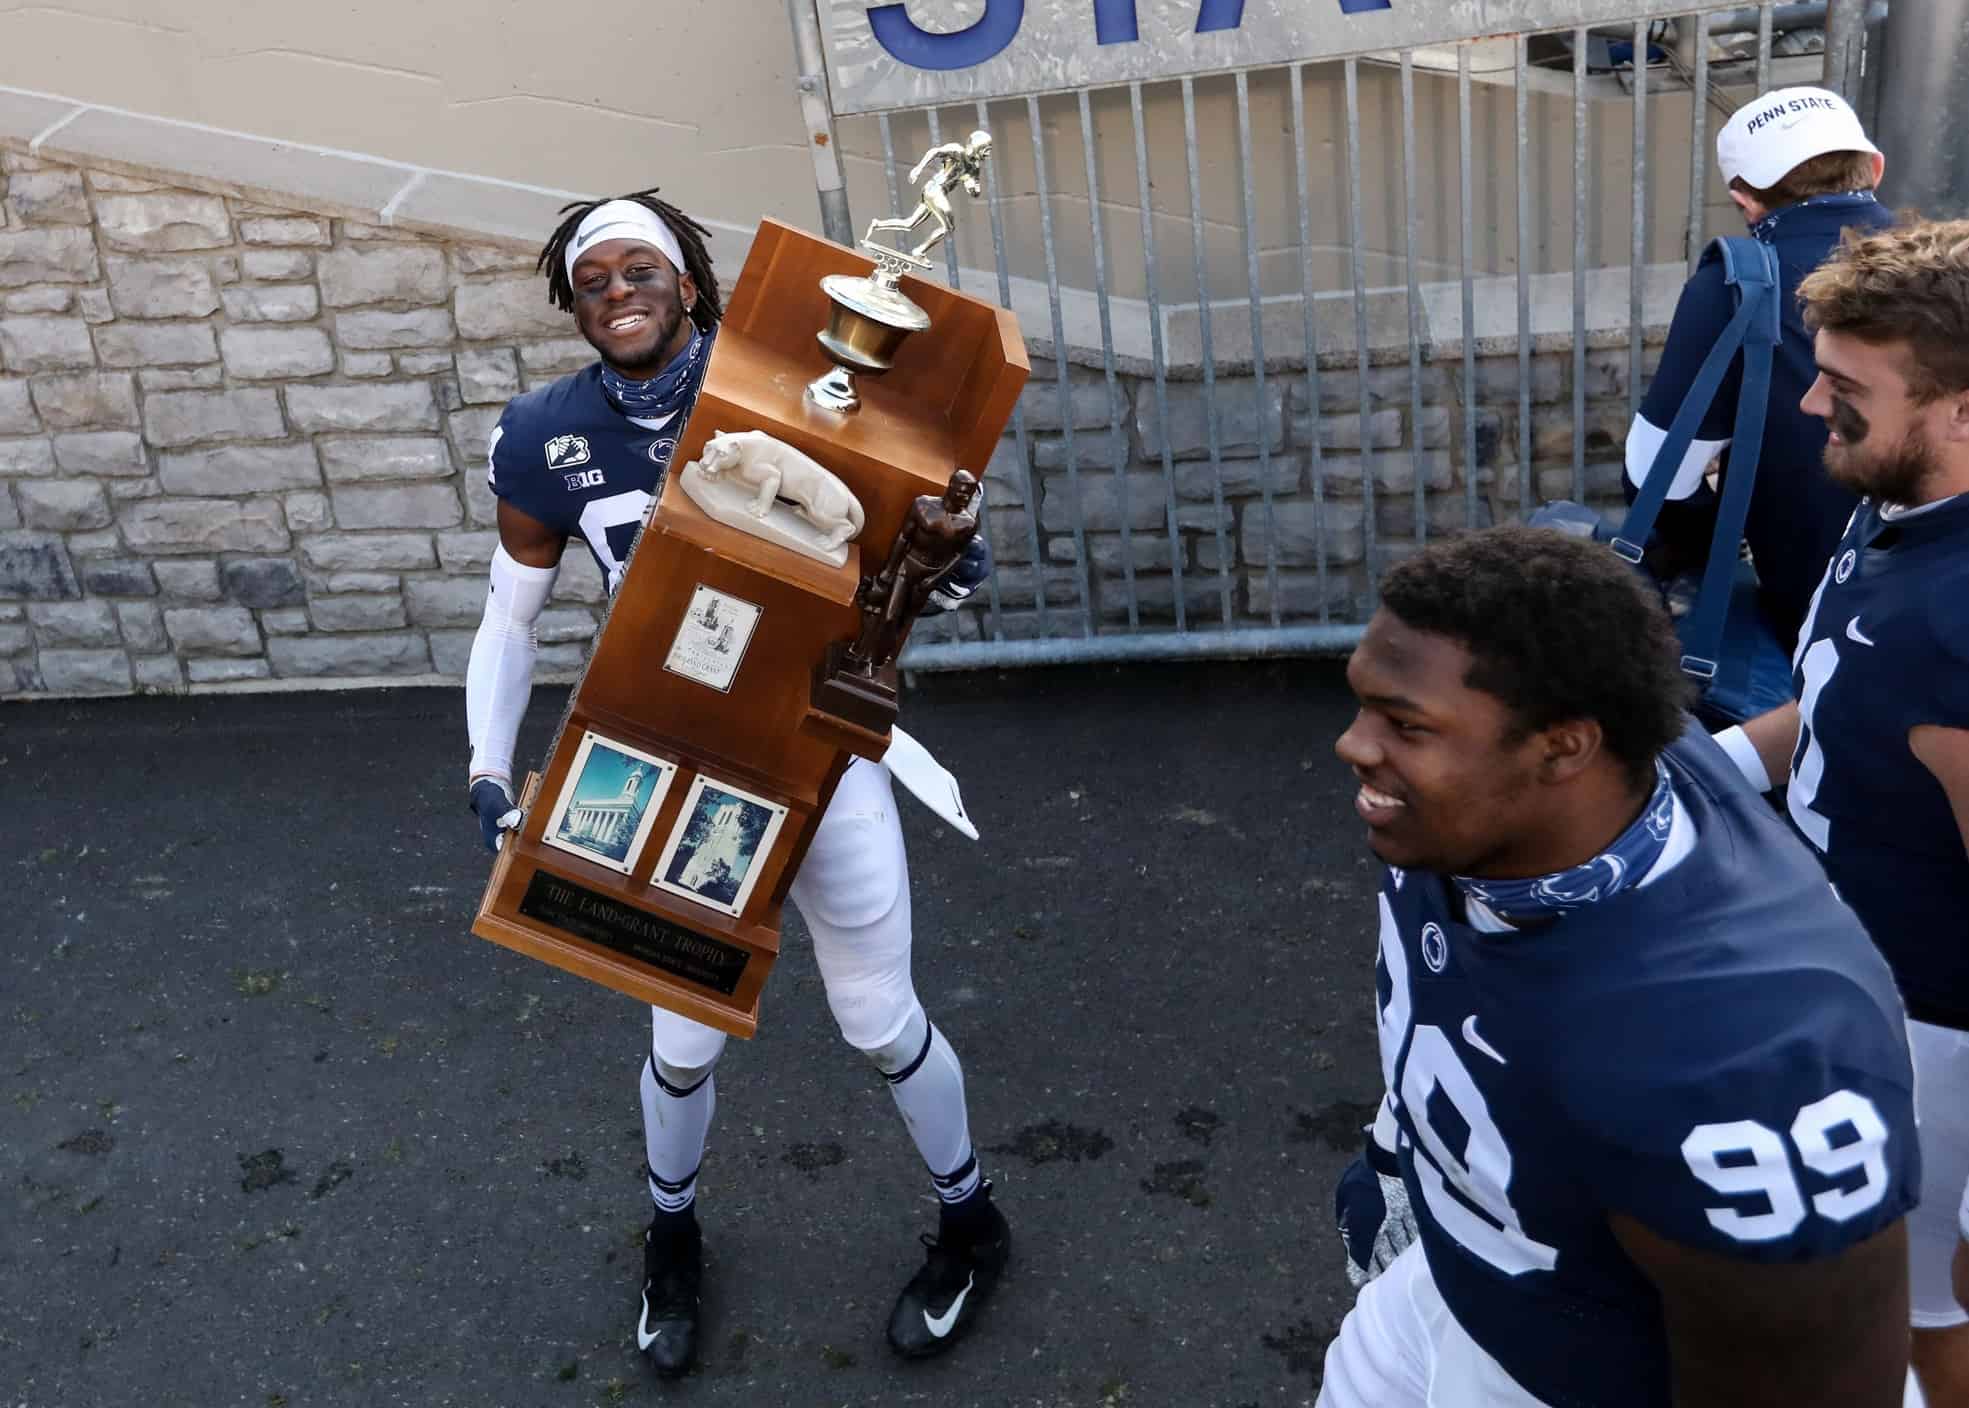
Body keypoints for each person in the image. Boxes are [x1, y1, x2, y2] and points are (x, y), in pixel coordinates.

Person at [461, 188, 1005, 1379]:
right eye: (593, 278)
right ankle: (671, 1234)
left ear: (688, 284)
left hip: (816, 749)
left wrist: (949, 542)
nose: (618, 292)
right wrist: (487, 767)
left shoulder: (793, 385)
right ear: (573, 302)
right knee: (684, 1034)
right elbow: (510, 618)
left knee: (877, 1018)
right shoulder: (544, 433)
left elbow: (934, 578)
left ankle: (971, 1219)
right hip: (664, 760)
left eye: (639, 271)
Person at [1327, 525, 1918, 1407]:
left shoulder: (1746, 1060)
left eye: (1406, 726)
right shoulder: (1537, 798)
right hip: (1469, 1285)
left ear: (1563, 748)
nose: (1355, 745)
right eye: (1365, 705)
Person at [1713, 217, 1969, 1406]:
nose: (1811, 406)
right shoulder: (1900, 504)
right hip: (1855, 999)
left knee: (1922, 1327)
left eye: (1844, 385)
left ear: (1959, 409)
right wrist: (1677, 781)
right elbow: (1833, 708)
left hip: (1933, 1049)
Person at [1625, 86, 1892, 655]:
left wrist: (1710, 529)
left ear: (1744, 199)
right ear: (1874, 167)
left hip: (1826, 620)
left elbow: (1656, 472)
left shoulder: (1737, 284)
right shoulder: (1946, 270)